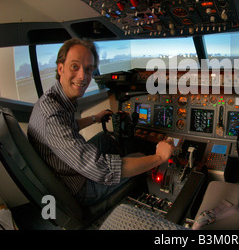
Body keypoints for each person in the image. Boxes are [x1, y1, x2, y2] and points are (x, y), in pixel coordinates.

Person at [27, 38, 174, 205]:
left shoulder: (53, 100)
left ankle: (131, 161)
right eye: (75, 66)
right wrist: (159, 157)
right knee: (141, 161)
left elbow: (68, 127)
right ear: (60, 68)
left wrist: (94, 118)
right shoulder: (51, 117)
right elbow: (101, 170)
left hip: (64, 169)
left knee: (106, 138)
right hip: (77, 187)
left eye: (88, 69)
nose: (83, 76)